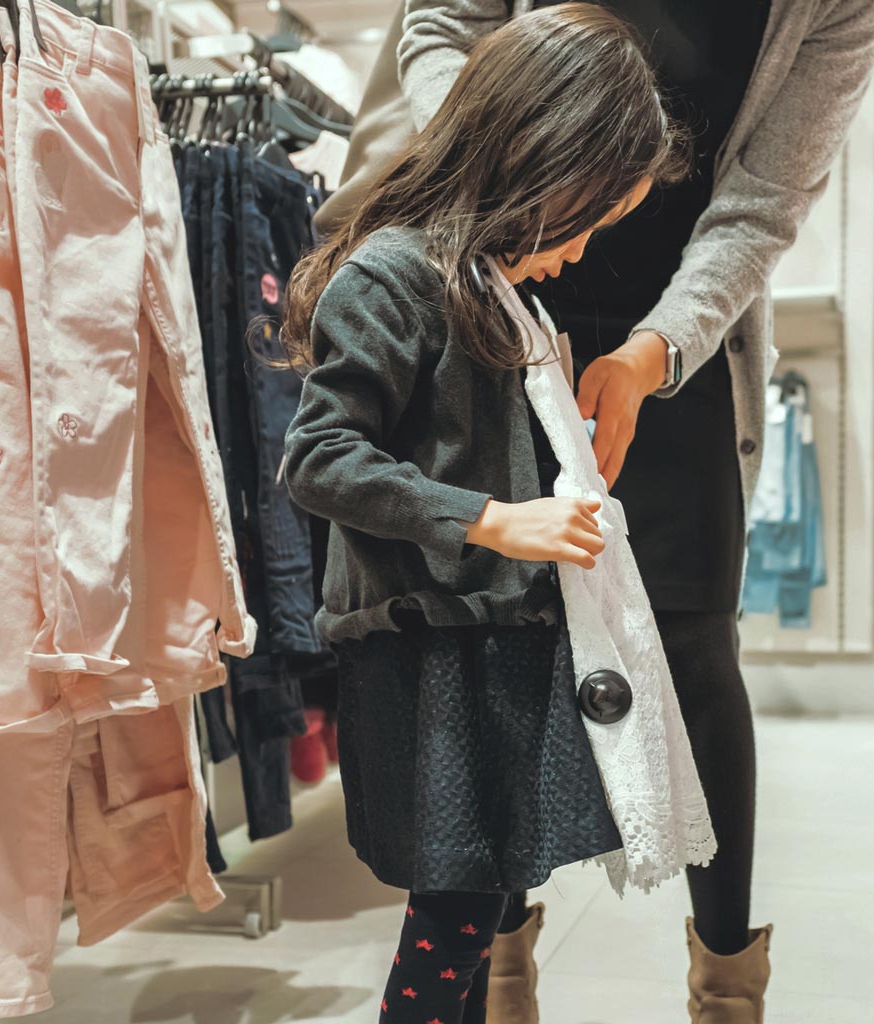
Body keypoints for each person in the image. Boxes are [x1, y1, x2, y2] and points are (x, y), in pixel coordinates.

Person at [395, 1, 874, 1021]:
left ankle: (725, 987)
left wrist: (652, 353)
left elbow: (761, 198)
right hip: (506, 282)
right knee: (498, 640)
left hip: (675, 339)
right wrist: (502, 196)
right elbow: (438, 26)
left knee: (696, 649)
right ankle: (498, 977)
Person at [281, 8, 712, 1023]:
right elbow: (319, 457)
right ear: (538, 163)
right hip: (433, 656)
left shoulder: (488, 287)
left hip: (495, 650)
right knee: (457, 908)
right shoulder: (392, 277)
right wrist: (492, 520)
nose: (576, 254)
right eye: (584, 220)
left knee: (490, 895)